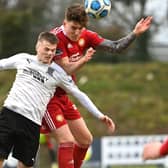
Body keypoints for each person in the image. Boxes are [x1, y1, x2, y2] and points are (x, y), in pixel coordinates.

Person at [41, 3, 153, 168]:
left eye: (81, 28)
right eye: (73, 28)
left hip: (63, 95)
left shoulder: (86, 36)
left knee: (86, 140)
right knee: (66, 141)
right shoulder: (54, 38)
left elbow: (116, 47)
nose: (77, 32)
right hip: (46, 96)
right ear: (64, 23)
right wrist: (84, 59)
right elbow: (66, 68)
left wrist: (134, 33)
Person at [0, 31, 115, 168]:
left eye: (53, 51)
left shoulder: (57, 74)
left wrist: (99, 115)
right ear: (38, 46)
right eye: (46, 49)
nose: (49, 53)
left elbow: (79, 94)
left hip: (32, 123)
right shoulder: (23, 59)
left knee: (25, 165)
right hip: (10, 115)